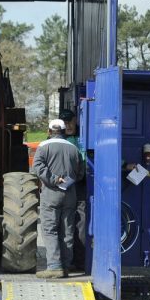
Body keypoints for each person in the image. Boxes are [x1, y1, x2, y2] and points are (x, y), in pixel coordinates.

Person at [31, 118, 85, 278]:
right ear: (63, 132)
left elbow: (37, 167)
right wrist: (68, 180)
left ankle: (54, 266)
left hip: (51, 193)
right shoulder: (74, 149)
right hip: (70, 194)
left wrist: (54, 179)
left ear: (49, 131)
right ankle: (65, 267)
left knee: (50, 229)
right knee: (67, 230)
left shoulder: (43, 146)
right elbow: (80, 173)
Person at [60, 108, 88, 271]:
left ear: (76, 120)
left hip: (79, 185)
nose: (68, 125)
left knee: (80, 223)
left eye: (70, 121)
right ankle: (64, 262)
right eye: (65, 122)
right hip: (62, 187)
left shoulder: (84, 137)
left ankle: (79, 261)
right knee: (64, 224)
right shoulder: (57, 141)